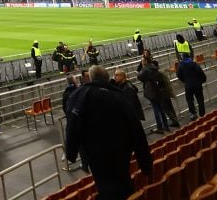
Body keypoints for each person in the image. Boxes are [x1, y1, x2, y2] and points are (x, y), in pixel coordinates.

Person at [65, 66, 153, 200]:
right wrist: (145, 162)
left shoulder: (81, 95)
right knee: (123, 181)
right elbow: (136, 128)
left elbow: (72, 123)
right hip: (121, 151)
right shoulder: (118, 95)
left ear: (91, 77)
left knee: (106, 186)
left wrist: (71, 152)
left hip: (96, 153)